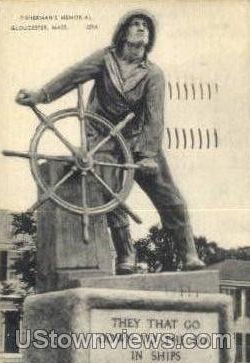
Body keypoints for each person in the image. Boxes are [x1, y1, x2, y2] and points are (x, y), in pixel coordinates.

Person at [16, 10, 205, 274]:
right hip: (102, 137)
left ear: (150, 37)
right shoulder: (105, 59)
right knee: (110, 192)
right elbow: (72, 76)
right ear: (123, 32)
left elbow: (154, 118)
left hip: (139, 140)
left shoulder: (153, 75)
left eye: (145, 27)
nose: (141, 29)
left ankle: (188, 254)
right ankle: (126, 255)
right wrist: (41, 95)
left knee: (169, 195)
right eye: (135, 25)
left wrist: (148, 155)